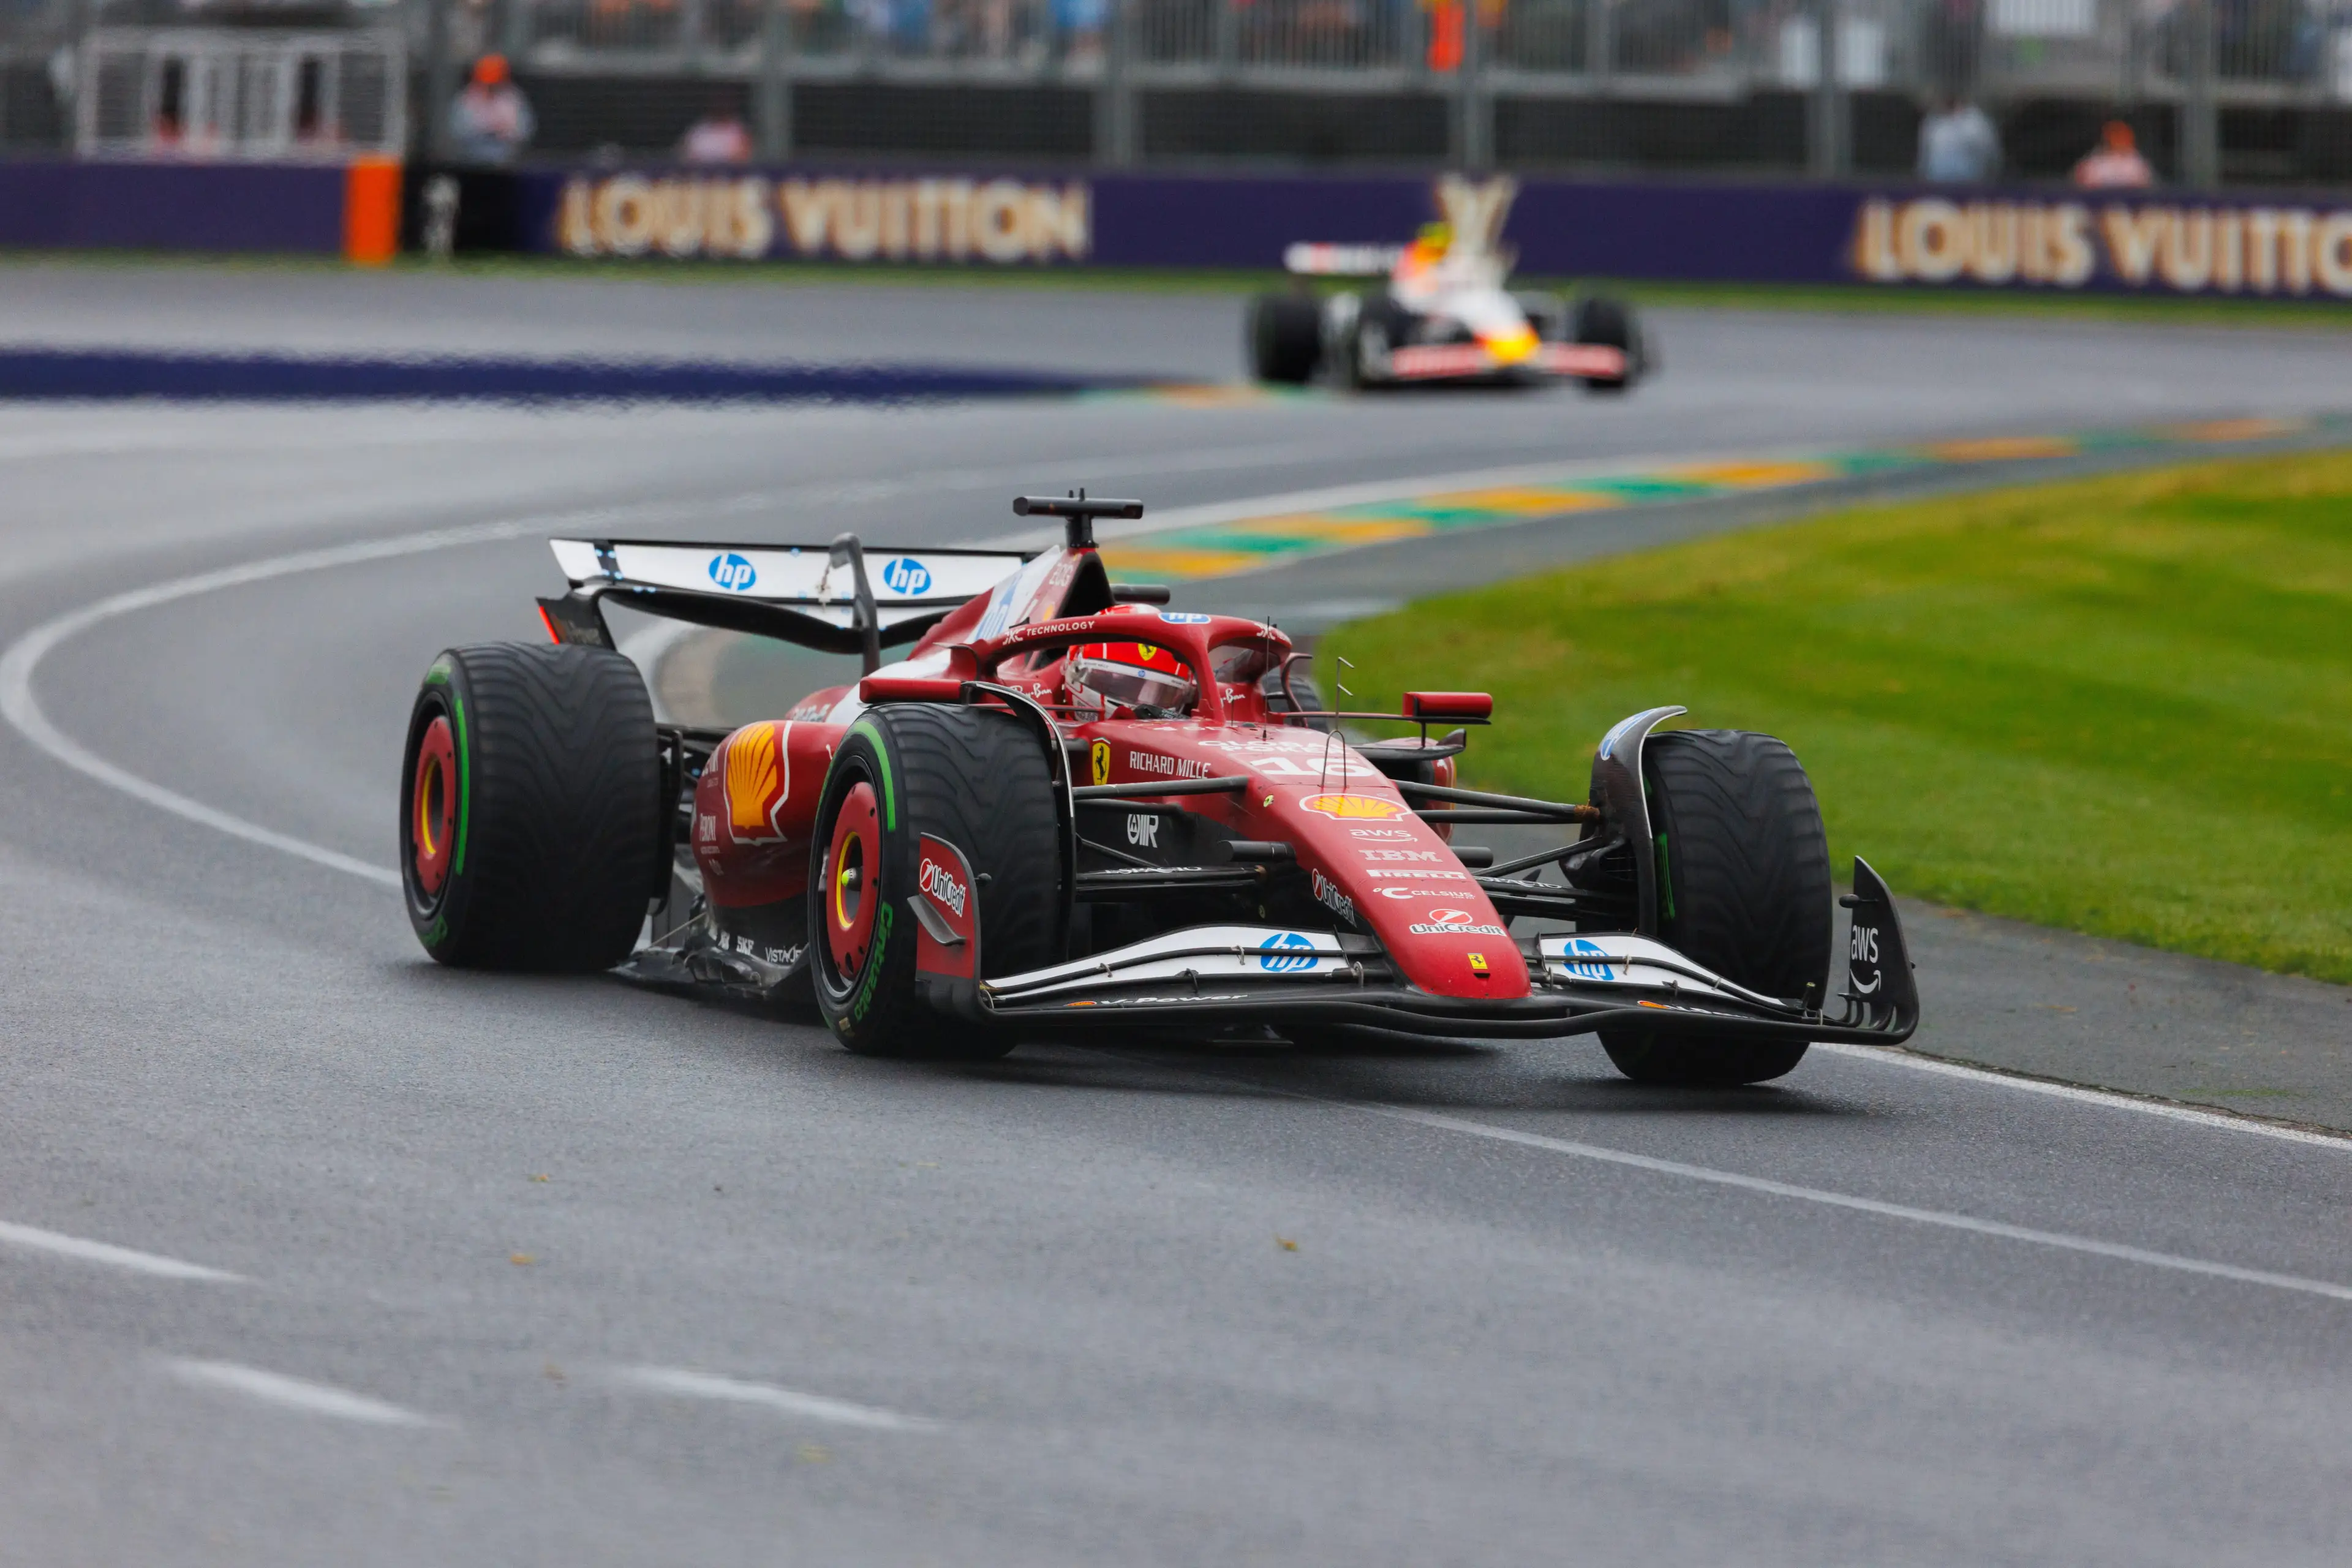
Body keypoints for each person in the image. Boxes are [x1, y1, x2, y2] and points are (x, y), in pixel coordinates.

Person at [447, 55, 535, 167]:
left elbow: (525, 131)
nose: (490, 86)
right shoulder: (466, 99)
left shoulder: (513, 99)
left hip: (505, 163)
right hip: (470, 162)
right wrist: (485, 128)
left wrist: (505, 131)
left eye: (495, 82)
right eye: (486, 82)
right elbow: (457, 131)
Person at [1917, 96, 2000, 183]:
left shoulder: (1978, 123)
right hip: (1937, 184)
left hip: (1970, 184)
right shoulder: (1932, 123)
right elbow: (1924, 158)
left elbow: (1992, 157)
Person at [2073, 119, 2155, 189]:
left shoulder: (2136, 162)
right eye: (2116, 135)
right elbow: (2082, 186)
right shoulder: (2095, 161)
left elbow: (2145, 188)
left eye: (2122, 135)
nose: (2120, 139)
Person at [679, 99, 754, 164]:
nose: (721, 106)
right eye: (717, 102)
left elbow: (744, 158)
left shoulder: (739, 129)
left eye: (724, 102)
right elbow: (686, 157)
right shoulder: (698, 129)